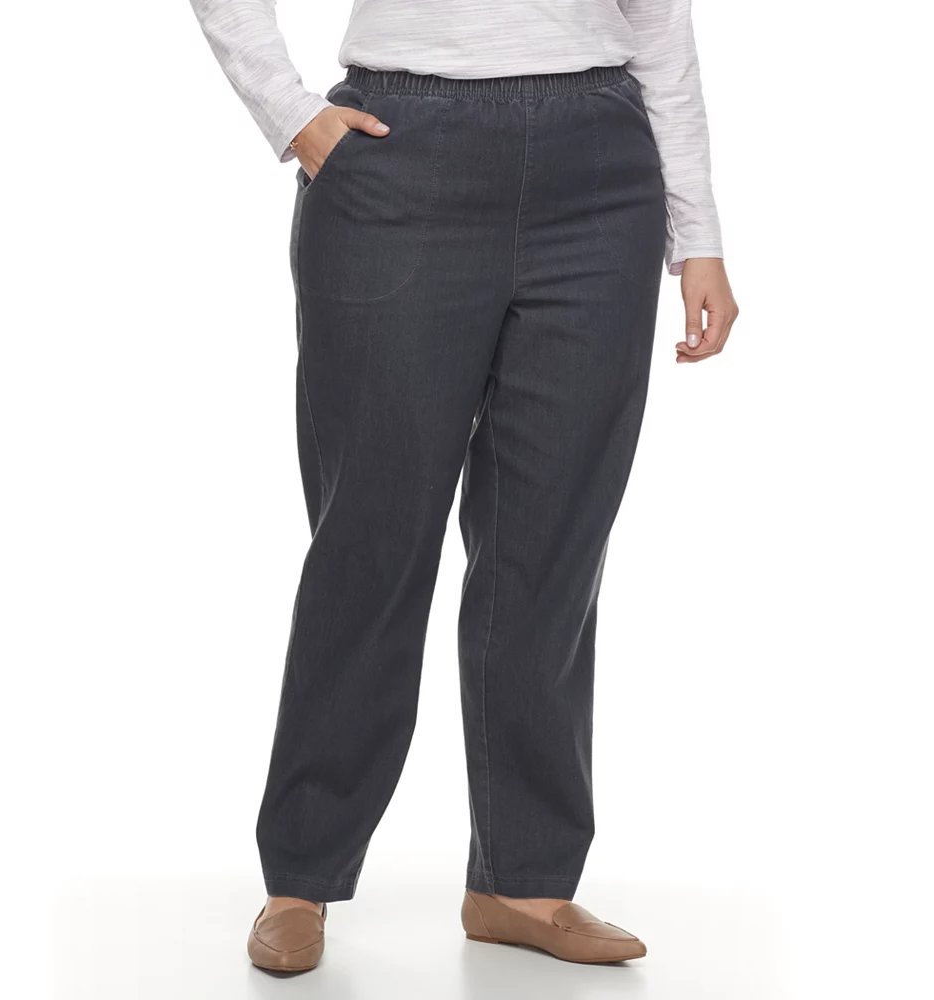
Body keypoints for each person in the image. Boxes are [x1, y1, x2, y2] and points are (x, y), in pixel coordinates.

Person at [189, 0, 739, 972]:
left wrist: (697, 228)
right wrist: (288, 112)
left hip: (600, 174)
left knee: (551, 550)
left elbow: (657, 16)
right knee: (372, 541)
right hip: (400, 154)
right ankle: (301, 876)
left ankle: (521, 881)